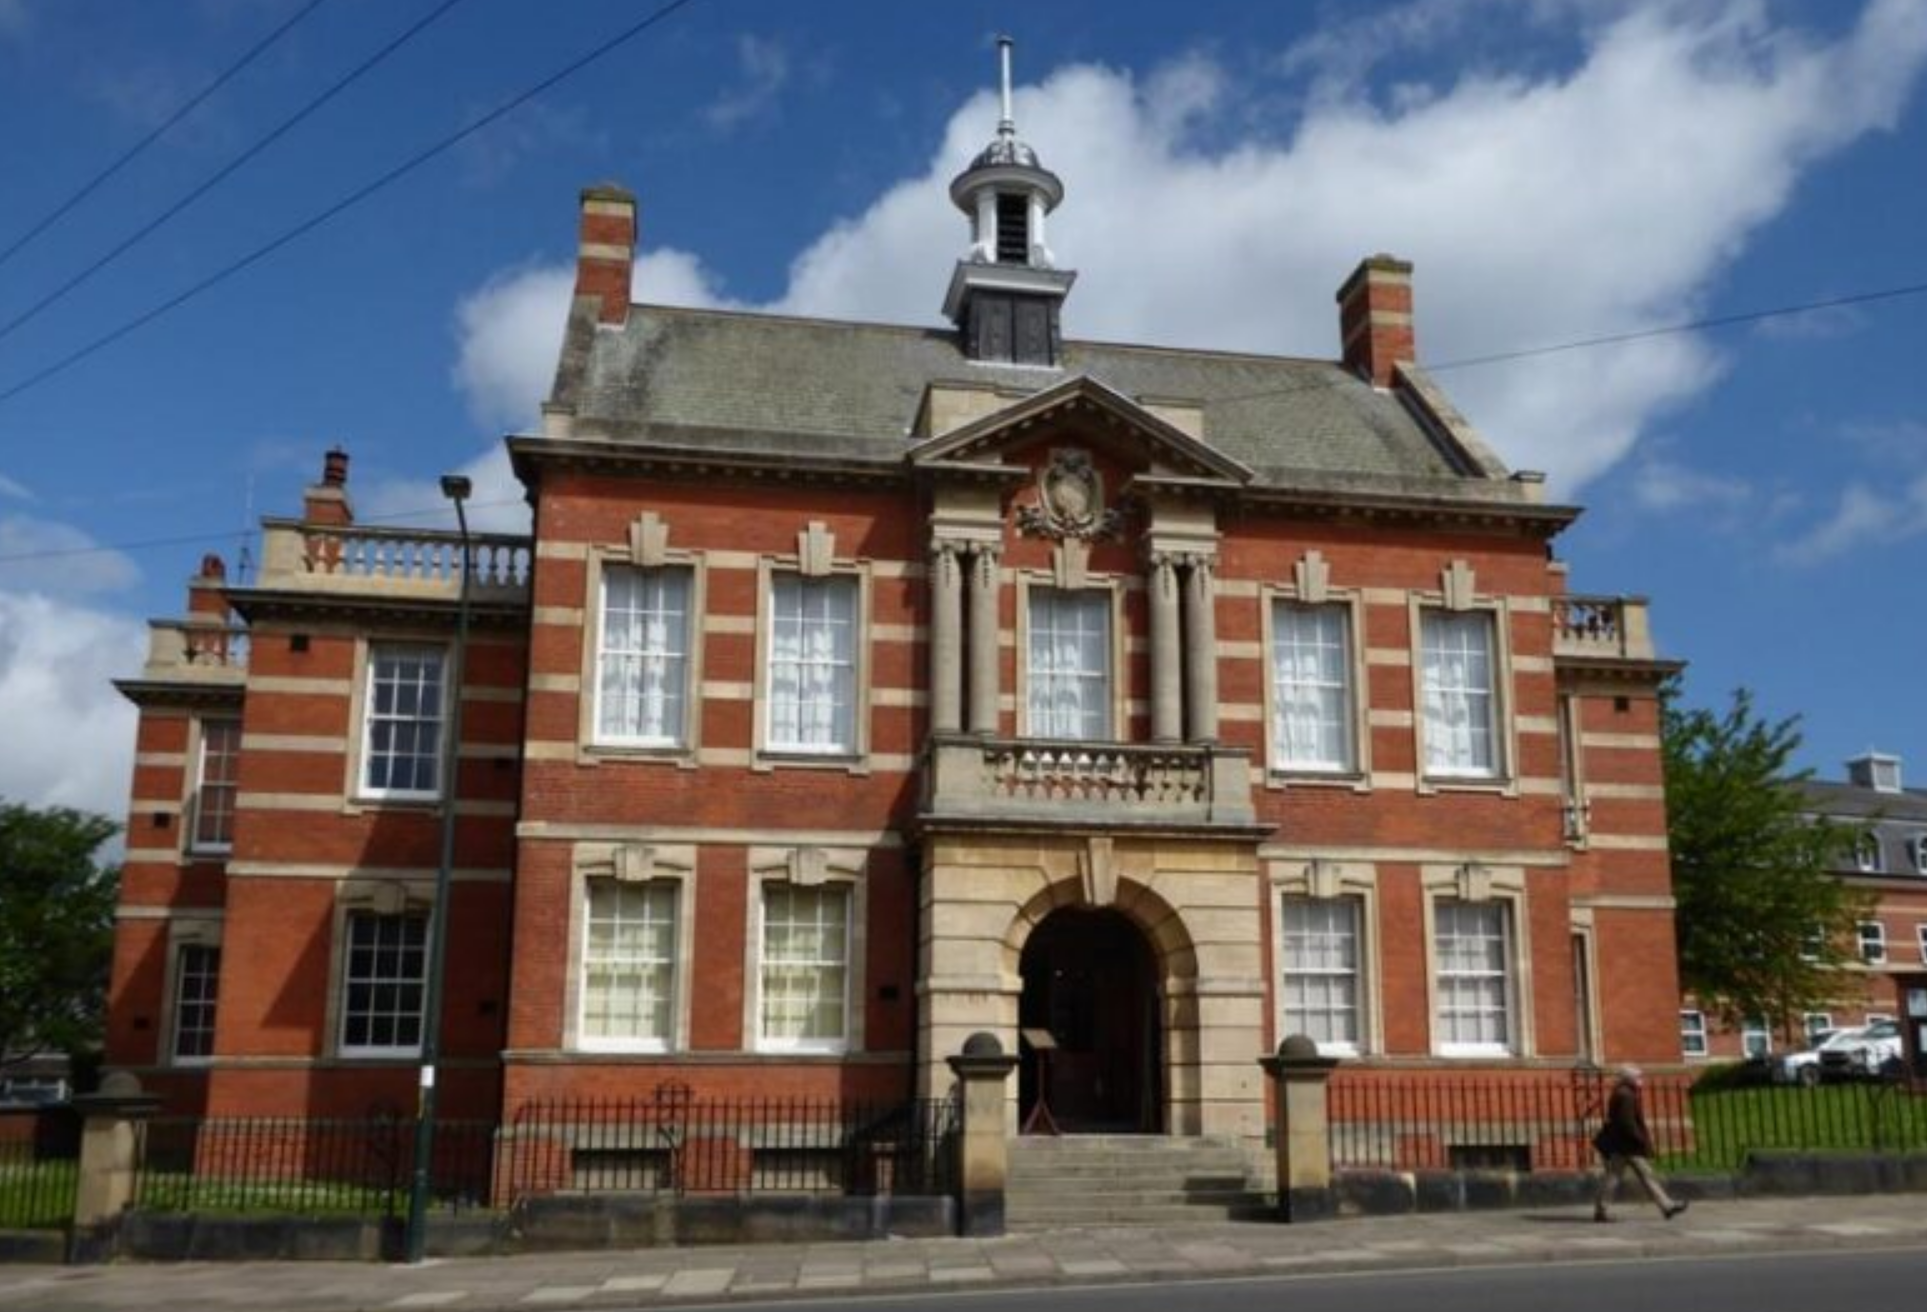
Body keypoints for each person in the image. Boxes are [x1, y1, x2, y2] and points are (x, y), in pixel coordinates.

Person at [1591, 1065, 1689, 1222]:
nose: (1641, 1079)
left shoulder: (1623, 1092)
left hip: (1623, 1144)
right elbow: (1626, 1122)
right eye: (1637, 1077)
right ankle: (1601, 1211)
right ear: (1628, 1078)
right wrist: (1640, 1139)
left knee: (1642, 1175)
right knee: (1617, 1177)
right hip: (1627, 1145)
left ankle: (1667, 1206)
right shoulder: (1626, 1095)